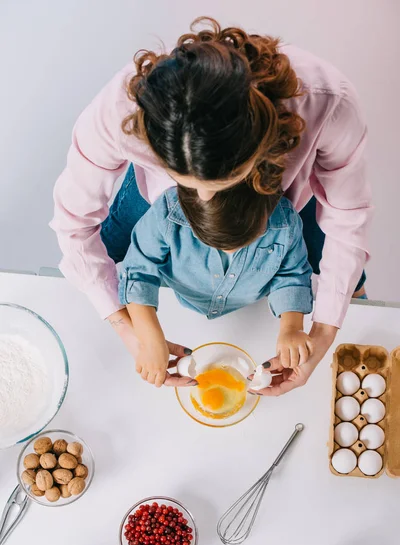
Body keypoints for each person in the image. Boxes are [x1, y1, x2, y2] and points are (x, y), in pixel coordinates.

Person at [51, 17, 372, 396]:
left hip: (283, 206)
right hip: (153, 203)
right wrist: (128, 328)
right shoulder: (115, 114)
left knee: (352, 294)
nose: (203, 206)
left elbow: (348, 217)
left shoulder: (326, 102)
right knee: (91, 283)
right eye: (188, 186)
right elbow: (74, 225)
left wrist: (323, 331)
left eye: (218, 185)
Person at [119, 183, 313, 387]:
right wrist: (149, 339)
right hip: (181, 309)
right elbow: (138, 271)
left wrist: (292, 327)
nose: (230, 253)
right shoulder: (169, 212)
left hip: (254, 313)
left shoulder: (286, 224)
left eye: (249, 240)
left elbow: (291, 275)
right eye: (215, 245)